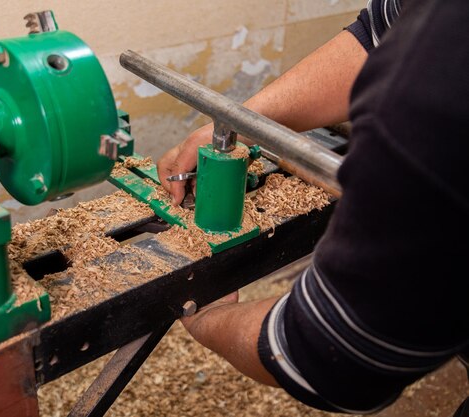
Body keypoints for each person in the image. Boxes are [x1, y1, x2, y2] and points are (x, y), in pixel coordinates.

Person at [157, 0, 469, 413]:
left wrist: (208, 319)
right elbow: (378, 33)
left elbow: (336, 355)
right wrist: (242, 122)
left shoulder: (442, 88)